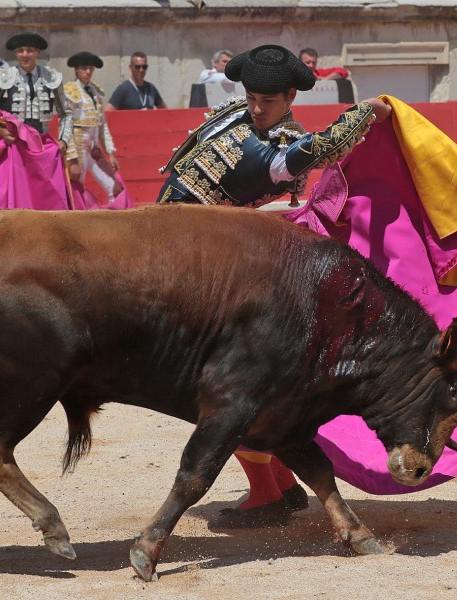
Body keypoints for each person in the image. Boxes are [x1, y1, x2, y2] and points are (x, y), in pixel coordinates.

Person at [157, 45, 390, 526]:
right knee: (248, 381)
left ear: (289, 96)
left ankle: (269, 491)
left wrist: (365, 121)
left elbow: (318, 152)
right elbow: (305, 155)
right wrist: (361, 114)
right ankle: (280, 485)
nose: (255, 106)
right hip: (185, 252)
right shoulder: (251, 132)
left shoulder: (273, 134)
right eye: (251, 97)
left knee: (226, 381)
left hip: (201, 263)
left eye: (266, 99)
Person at [0, 31, 74, 211]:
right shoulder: (3, 78)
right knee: (13, 202)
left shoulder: (52, 77)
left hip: (43, 147)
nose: (25, 55)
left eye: (29, 50)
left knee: (47, 201)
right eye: (20, 51)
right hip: (14, 147)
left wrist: (64, 140)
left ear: (38, 53)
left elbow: (66, 113)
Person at [63, 51, 127, 208]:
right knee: (76, 187)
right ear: (76, 70)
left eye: (91, 68)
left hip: (94, 146)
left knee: (114, 188)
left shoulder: (95, 91)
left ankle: (112, 225)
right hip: (77, 144)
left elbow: (102, 124)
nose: (88, 72)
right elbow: (65, 123)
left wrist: (110, 153)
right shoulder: (69, 90)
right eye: (84, 68)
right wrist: (71, 157)